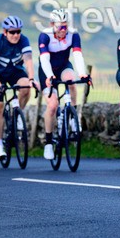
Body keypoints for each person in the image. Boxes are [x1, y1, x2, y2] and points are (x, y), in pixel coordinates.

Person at [38, 8, 90, 161]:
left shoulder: (73, 34)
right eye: (60, 27)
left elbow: (77, 55)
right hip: (47, 70)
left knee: (71, 80)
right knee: (53, 105)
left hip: (63, 66)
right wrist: (49, 76)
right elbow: (44, 60)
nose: (63, 30)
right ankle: (48, 142)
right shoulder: (45, 36)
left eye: (65, 26)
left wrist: (82, 73)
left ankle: (72, 117)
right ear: (52, 25)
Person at [0, 16, 38, 160]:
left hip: (14, 70)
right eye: (12, 32)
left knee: (26, 86)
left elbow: (28, 60)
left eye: (18, 32)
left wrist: (32, 79)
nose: (15, 35)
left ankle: (17, 114)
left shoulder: (23, 40)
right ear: (5, 32)